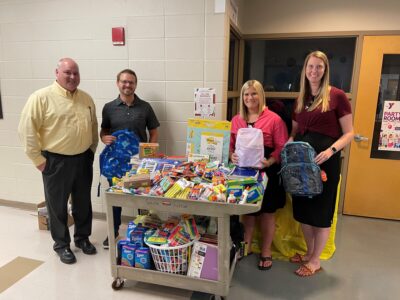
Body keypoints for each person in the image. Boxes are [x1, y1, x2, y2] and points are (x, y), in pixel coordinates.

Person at [18, 58, 99, 264]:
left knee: (82, 203)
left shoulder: (86, 99)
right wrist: (38, 160)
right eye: (67, 73)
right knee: (57, 206)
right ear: (57, 73)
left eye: (76, 73)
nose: (72, 77)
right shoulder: (41, 98)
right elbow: (27, 130)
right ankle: (62, 245)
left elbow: (93, 127)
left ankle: (82, 238)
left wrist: (90, 152)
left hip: (82, 159)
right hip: (55, 162)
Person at [287, 51, 354, 277]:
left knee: (321, 212)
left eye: (319, 67)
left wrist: (330, 151)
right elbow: (295, 132)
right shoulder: (301, 99)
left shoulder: (336, 96)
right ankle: (308, 252)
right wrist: (288, 145)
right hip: (301, 167)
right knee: (304, 210)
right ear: (304, 70)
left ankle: (315, 260)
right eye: (310, 67)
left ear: (325, 70)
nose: (314, 71)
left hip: (325, 164)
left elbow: (349, 133)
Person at [230, 80, 288, 270]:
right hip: (243, 173)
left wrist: (270, 161)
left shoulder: (274, 119)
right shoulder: (237, 120)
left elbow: (281, 146)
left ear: (261, 95)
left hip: (267, 172)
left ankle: (265, 251)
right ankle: (244, 248)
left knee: (267, 214)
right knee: (247, 213)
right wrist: (231, 155)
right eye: (246, 94)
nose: (250, 98)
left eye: (254, 94)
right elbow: (230, 145)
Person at [100, 69, 160, 248]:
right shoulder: (109, 107)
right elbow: (104, 130)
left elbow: (154, 131)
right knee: (116, 198)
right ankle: (113, 232)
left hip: (140, 163)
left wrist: (148, 154)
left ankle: (147, 232)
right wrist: (103, 137)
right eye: (124, 81)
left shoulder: (145, 107)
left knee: (143, 198)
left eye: (131, 82)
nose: (128, 85)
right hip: (116, 163)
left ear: (136, 84)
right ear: (118, 83)